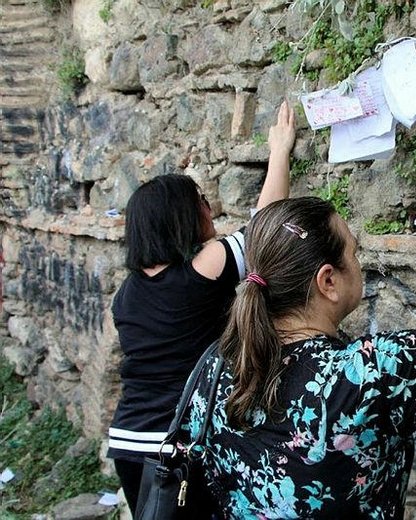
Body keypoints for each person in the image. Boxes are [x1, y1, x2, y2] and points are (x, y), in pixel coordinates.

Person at [183, 172, 416, 519]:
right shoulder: (361, 377)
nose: (358, 262)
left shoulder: (215, 367)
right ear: (328, 281)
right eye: (353, 252)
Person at [107, 101, 296, 515]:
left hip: (127, 440)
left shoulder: (128, 293)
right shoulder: (200, 271)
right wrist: (279, 151)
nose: (208, 207)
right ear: (181, 217)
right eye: (200, 201)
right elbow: (263, 228)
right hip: (175, 446)